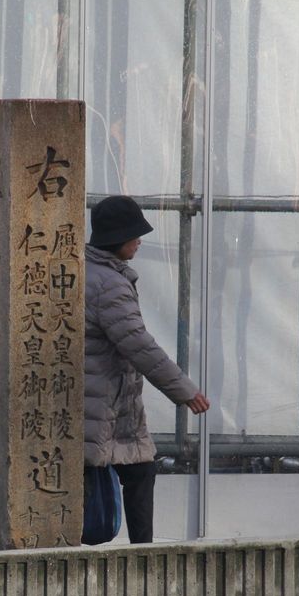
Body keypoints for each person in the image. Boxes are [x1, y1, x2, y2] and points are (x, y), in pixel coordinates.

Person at [84, 195, 210, 544]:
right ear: (118, 237)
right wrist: (185, 390)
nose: (140, 241)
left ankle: (138, 554)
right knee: (137, 473)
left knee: (137, 469)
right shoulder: (108, 284)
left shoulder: (93, 271)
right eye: (135, 235)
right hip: (102, 405)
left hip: (106, 402)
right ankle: (142, 557)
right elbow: (138, 344)